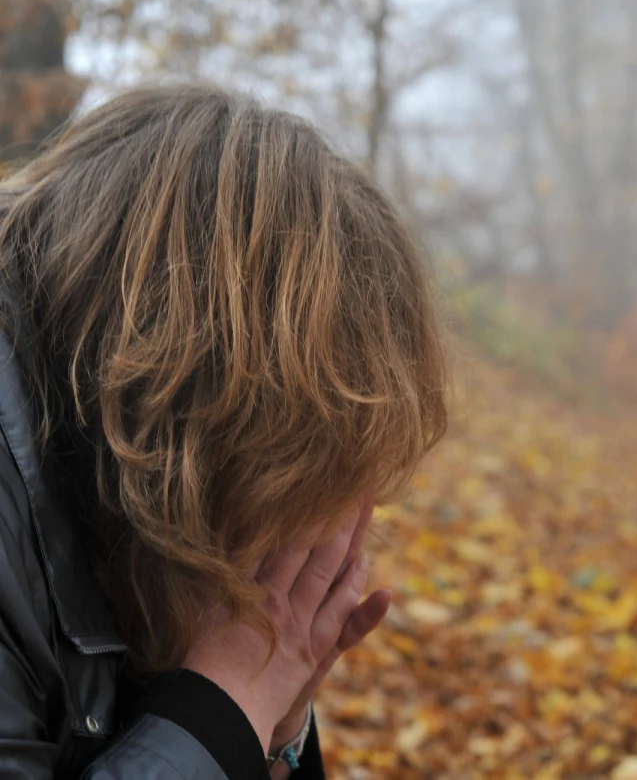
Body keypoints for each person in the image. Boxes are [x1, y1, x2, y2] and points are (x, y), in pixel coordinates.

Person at [0, 84, 448, 778]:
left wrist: (267, 736)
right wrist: (219, 708)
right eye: (291, 485)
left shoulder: (108, 513)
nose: (295, 548)